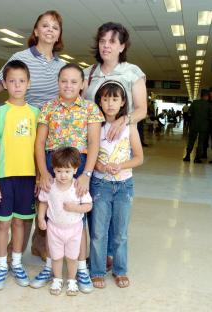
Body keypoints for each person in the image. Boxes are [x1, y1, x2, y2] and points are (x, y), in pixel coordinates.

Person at [0, 10, 66, 261]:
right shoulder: (19, 57)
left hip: (52, 138)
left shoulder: (62, 66)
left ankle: (40, 244)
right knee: (27, 191)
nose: (50, 30)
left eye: (55, 26)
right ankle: (13, 249)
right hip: (22, 135)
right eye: (45, 25)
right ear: (36, 31)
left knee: (45, 191)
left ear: (59, 34)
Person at [32, 63, 104, 293]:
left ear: (83, 84)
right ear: (58, 82)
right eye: (64, 80)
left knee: (77, 219)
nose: (69, 85)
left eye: (74, 81)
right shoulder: (48, 107)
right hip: (52, 163)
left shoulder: (90, 109)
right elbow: (40, 143)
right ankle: (48, 265)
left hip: (79, 165)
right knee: (50, 214)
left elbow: (94, 143)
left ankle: (81, 268)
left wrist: (86, 174)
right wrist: (43, 172)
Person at [83, 21, 147, 270]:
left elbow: (142, 108)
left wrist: (124, 120)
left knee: (117, 206)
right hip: (94, 143)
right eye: (102, 40)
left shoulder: (132, 72)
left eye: (112, 41)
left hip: (122, 140)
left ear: (122, 46)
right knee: (96, 205)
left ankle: (110, 254)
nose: (106, 45)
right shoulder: (90, 73)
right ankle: (98, 253)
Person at [0, 60, 40, 290]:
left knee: (20, 222)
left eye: (21, 81)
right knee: (3, 224)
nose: (17, 85)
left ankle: (16, 263)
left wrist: (39, 177)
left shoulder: (36, 113)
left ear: (28, 84)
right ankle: (1, 266)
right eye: (12, 81)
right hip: (4, 177)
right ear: (5, 84)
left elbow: (39, 147)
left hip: (28, 177)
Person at [89, 80, 143, 289]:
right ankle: (97, 271)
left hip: (123, 186)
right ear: (99, 101)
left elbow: (138, 157)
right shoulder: (94, 126)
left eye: (115, 99)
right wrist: (99, 166)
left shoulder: (130, 127)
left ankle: (120, 270)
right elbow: (88, 154)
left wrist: (120, 165)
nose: (110, 103)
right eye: (105, 98)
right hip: (100, 186)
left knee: (120, 232)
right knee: (98, 231)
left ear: (122, 103)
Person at [38, 147, 92, 296]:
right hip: (54, 228)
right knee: (56, 257)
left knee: (72, 257)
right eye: (59, 171)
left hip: (74, 229)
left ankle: (72, 281)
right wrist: (41, 217)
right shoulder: (50, 186)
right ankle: (57, 279)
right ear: (53, 170)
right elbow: (43, 202)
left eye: (67, 171)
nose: (63, 175)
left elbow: (88, 206)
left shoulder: (78, 187)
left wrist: (75, 207)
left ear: (75, 170)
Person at [183, 89, 212, 163]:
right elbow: (211, 117)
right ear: (206, 96)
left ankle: (187, 156)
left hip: (194, 125)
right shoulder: (209, 105)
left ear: (201, 95)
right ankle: (197, 158)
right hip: (204, 127)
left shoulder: (194, 103)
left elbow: (189, 113)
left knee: (191, 141)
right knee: (201, 142)